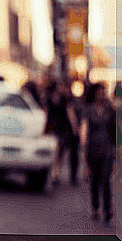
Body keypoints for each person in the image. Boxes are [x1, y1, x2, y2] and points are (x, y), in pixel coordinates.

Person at [80, 82, 116, 225]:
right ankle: (95, 207)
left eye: (103, 91)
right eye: (99, 91)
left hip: (106, 148)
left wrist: (116, 149)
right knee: (94, 179)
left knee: (106, 180)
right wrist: (83, 148)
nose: (101, 94)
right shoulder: (88, 110)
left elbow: (114, 130)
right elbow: (84, 130)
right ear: (94, 93)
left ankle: (108, 209)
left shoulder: (109, 109)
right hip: (92, 148)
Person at [45, 81, 79, 187]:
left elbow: (70, 113)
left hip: (63, 128)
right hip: (54, 128)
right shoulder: (49, 99)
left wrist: (74, 127)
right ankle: (55, 174)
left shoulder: (64, 99)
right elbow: (46, 113)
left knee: (61, 153)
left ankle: (57, 174)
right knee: (57, 153)